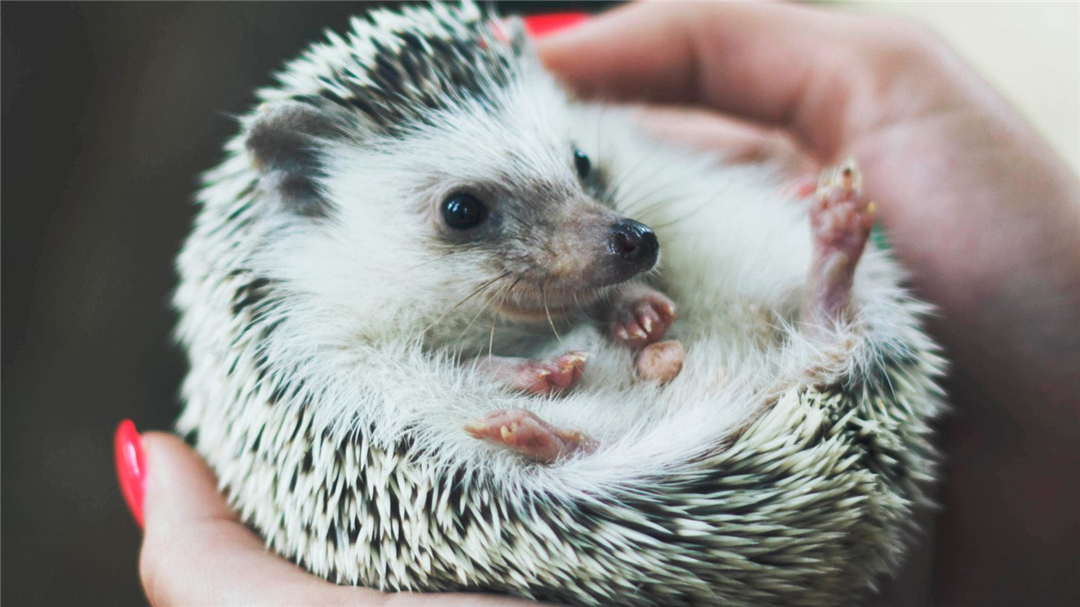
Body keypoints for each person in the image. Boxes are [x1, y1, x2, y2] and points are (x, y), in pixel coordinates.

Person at [118, 2, 1080, 605]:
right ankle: (742, 362)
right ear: (307, 195)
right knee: (498, 459)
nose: (607, 230)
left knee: (768, 290)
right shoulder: (305, 341)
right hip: (629, 463)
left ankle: (810, 321)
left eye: (576, 168)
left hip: (683, 428)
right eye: (465, 212)